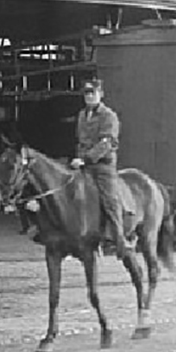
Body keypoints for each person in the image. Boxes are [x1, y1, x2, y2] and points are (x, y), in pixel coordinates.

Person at [72, 79, 133, 258]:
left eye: (93, 93)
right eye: (86, 93)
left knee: (109, 200)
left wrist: (87, 159)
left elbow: (106, 142)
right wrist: (78, 158)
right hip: (82, 163)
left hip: (102, 165)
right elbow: (80, 140)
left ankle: (119, 240)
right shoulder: (82, 115)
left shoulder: (109, 116)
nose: (90, 96)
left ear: (101, 94)